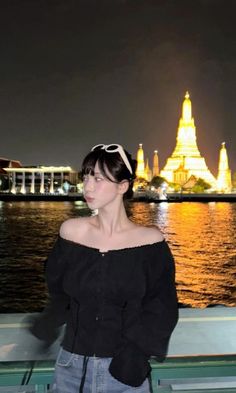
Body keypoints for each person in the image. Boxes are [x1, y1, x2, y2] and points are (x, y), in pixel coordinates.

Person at [30, 143, 178, 393]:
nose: (87, 186)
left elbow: (162, 308)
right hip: (70, 368)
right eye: (85, 176)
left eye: (98, 178)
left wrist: (135, 354)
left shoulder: (149, 242)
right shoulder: (71, 233)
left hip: (124, 371)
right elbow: (59, 295)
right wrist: (47, 325)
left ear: (123, 186)